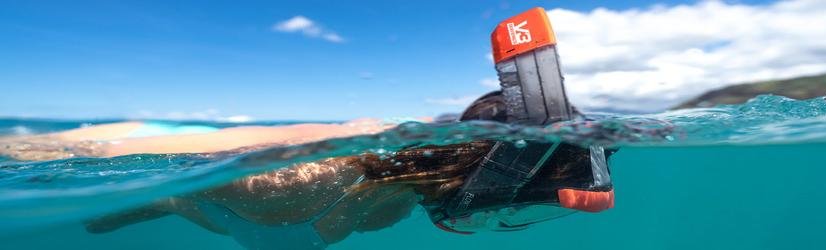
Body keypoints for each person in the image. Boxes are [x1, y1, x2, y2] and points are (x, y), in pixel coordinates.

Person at [0, 7, 620, 250]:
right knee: (183, 194)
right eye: (522, 205)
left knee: (203, 206)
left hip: (256, 215)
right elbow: (96, 150)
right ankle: (161, 203)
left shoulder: (402, 185)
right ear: (491, 177)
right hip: (179, 159)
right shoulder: (301, 171)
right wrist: (24, 151)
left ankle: (168, 203)